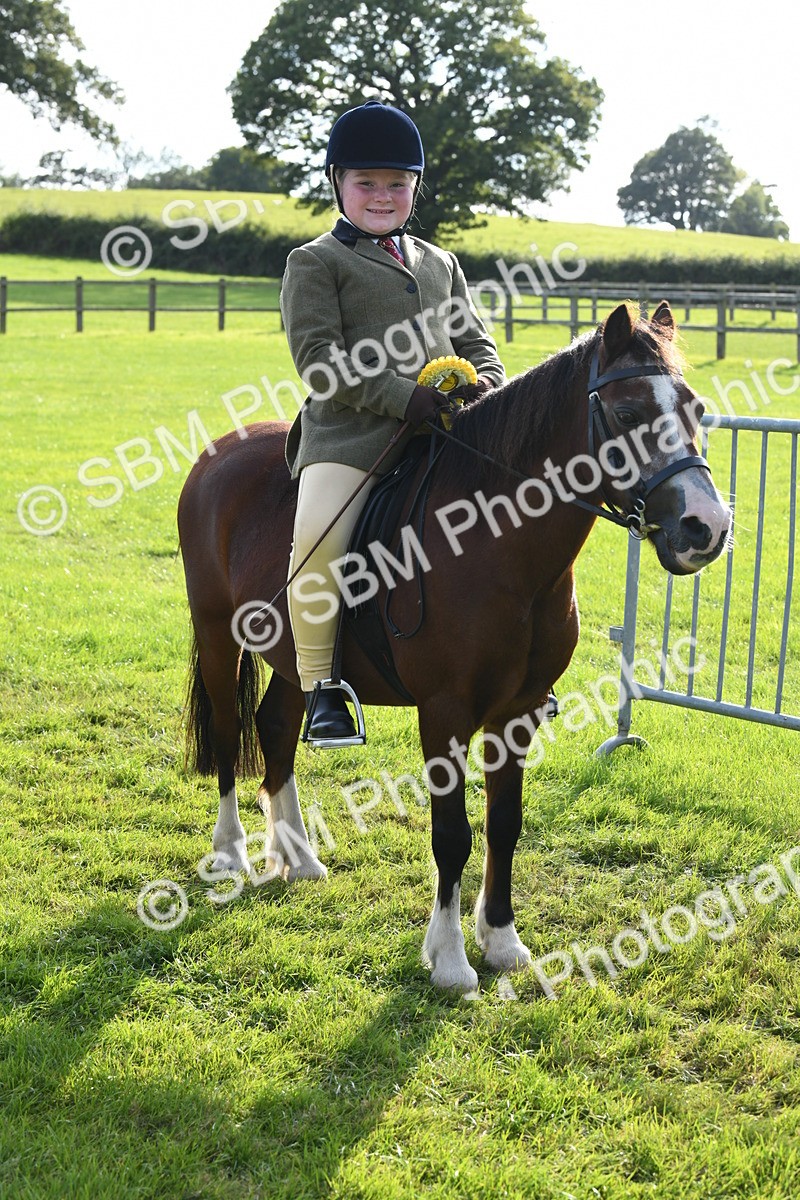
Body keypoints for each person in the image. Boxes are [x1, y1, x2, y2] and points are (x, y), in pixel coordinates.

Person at [280, 100, 505, 744]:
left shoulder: (440, 263)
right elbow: (319, 361)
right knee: (317, 543)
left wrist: (487, 383)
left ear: (415, 190)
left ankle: (523, 668)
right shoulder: (315, 262)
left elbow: (475, 339)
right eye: (367, 184)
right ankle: (323, 686)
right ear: (337, 185)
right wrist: (402, 396)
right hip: (351, 438)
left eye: (397, 185)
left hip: (445, 433)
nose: (383, 196)